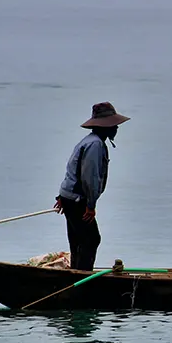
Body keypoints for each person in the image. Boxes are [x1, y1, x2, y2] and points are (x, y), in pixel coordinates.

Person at [54, 102, 130, 271]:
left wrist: (62, 196)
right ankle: (82, 276)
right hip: (77, 199)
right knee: (91, 239)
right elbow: (90, 178)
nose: (116, 128)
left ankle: (75, 272)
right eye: (113, 125)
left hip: (69, 197)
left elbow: (71, 171)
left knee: (77, 240)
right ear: (104, 127)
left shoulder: (88, 141)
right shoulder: (95, 145)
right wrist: (90, 205)